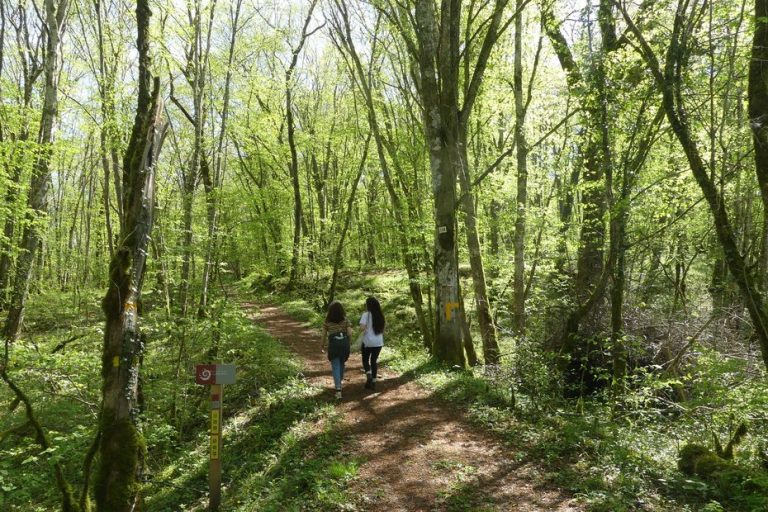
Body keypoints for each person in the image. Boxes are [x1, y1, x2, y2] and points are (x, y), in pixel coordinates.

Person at [321, 301, 353, 400]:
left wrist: (322, 345)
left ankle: (338, 389)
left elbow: (323, 335)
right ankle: (339, 380)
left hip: (334, 345)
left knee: (335, 366)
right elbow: (350, 333)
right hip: (344, 344)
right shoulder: (346, 320)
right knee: (342, 363)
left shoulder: (327, 322)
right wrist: (348, 343)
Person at [359, 296, 385, 390]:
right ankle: (374, 382)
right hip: (378, 342)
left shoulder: (366, 315)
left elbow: (362, 328)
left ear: (368, 305)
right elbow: (383, 329)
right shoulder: (381, 315)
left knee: (365, 359)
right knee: (374, 361)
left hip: (367, 342)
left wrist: (364, 328)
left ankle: (368, 374)